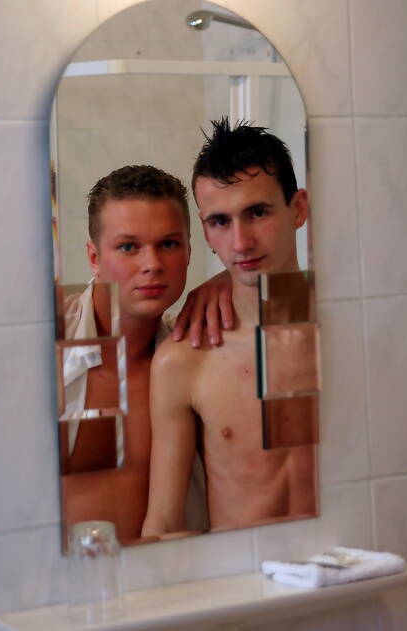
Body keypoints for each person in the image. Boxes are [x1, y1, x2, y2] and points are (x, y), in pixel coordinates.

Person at [142, 119, 318, 537]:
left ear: (298, 209)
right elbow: (164, 522)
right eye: (221, 221)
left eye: (257, 213)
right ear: (205, 231)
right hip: (243, 575)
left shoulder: (356, 328)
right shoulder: (184, 360)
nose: (240, 243)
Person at [59, 164, 229, 544]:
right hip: (68, 577)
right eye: (128, 247)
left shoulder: (197, 352)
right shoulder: (45, 345)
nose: (152, 264)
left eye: (168, 244)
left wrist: (229, 278)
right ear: (93, 258)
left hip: (176, 574)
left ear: (189, 251)